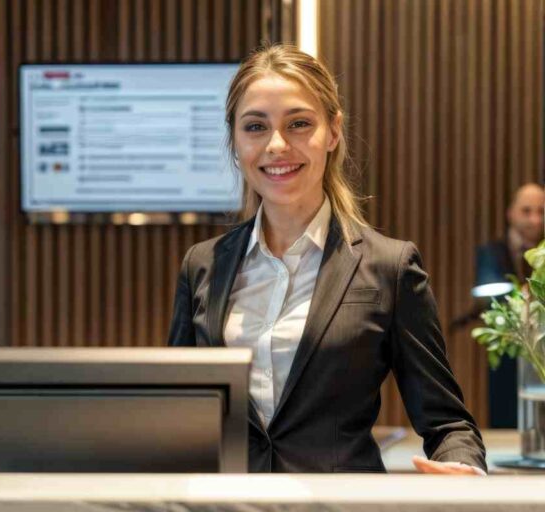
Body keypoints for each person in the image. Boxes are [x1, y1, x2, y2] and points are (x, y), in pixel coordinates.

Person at [167, 43, 486, 474]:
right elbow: (178, 409)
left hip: (341, 502)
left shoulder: (389, 268)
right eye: (255, 126)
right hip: (226, 501)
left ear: (333, 131)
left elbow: (447, 424)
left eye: (299, 124)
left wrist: (462, 469)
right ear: (236, 142)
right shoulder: (202, 265)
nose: (277, 145)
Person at [475, 182, 544, 427]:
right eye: (526, 211)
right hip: (507, 360)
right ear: (511, 213)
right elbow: (490, 298)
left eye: (541, 211)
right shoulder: (491, 252)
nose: (535, 219)